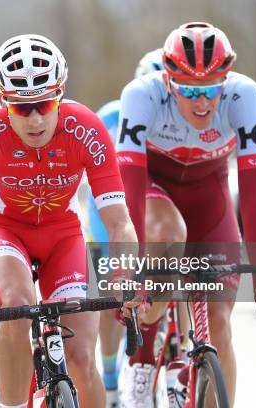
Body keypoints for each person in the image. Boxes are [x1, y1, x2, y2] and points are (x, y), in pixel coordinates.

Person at [115, 22, 256, 407]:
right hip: (155, 190)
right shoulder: (140, 96)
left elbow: (253, 195)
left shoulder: (244, 95)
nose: (202, 103)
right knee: (168, 234)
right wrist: (133, 273)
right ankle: (143, 357)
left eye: (211, 89)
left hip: (210, 198)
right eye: (189, 91)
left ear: (226, 80)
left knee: (218, 326)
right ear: (168, 82)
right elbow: (129, 195)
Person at [0, 34, 143, 408]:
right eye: (20, 106)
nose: (35, 118)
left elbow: (120, 223)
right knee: (13, 306)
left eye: (45, 103)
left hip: (64, 236)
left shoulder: (87, 129)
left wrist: (125, 276)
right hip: (9, 232)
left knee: (79, 358)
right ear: (2, 101)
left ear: (60, 93)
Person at [84, 47, 164, 408]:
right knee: (108, 296)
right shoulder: (112, 116)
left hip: (155, 210)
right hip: (111, 216)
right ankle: (112, 374)